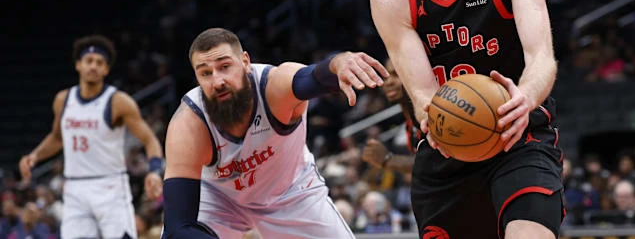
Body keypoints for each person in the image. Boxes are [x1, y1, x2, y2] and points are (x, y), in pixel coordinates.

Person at [369, 0, 564, 239]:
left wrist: (523, 101)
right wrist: (432, 117)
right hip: (446, 151)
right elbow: (423, 95)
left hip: (517, 137)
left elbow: (542, 57)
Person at [161, 27, 389, 239]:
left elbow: (312, 77)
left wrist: (338, 63)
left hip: (290, 193)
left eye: (224, 66)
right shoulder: (188, 124)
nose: (218, 80)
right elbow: (177, 227)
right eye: (205, 73)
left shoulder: (274, 86)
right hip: (221, 200)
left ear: (245, 62)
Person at [18, 34, 164, 239]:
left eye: (99, 62)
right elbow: (57, 138)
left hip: (110, 186)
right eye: (89, 61)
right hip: (75, 188)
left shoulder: (118, 101)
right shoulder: (63, 100)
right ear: (78, 65)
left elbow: (150, 140)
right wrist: (35, 155)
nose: (93, 66)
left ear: (106, 69)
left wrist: (155, 171)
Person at [362, 58, 418, 174]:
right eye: (385, 77)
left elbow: (437, 165)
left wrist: (388, 159)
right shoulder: (409, 123)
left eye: (396, 74)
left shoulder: (429, 116)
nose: (388, 82)